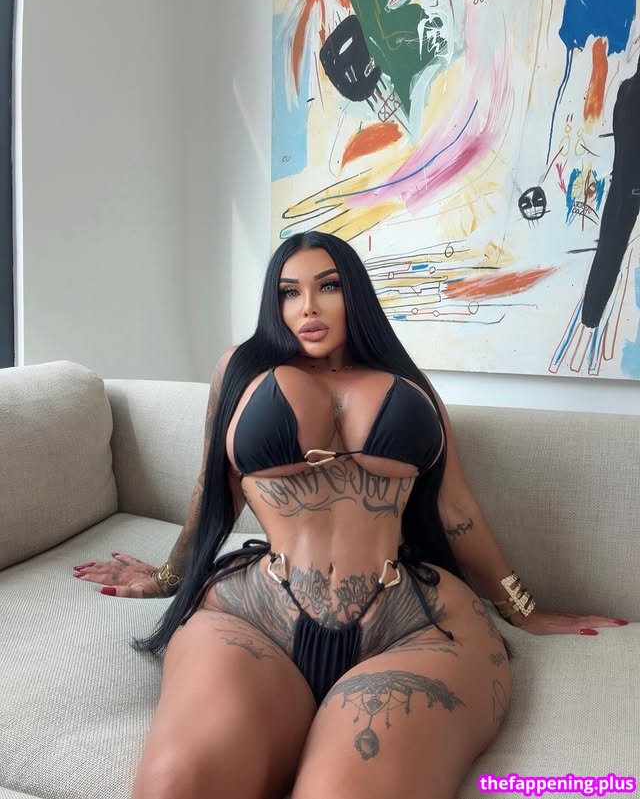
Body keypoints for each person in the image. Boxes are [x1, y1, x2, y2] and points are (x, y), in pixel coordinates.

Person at [73, 232, 628, 799]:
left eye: (328, 286)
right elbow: (211, 487)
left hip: (406, 627)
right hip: (256, 618)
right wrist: (168, 576)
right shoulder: (240, 370)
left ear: (355, 293)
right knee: (176, 785)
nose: (307, 307)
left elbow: (455, 508)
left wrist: (523, 608)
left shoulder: (407, 384)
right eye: (290, 292)